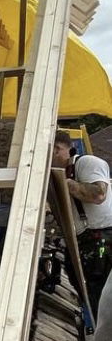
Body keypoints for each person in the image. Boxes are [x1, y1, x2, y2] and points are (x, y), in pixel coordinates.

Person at [52, 131, 112, 312]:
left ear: (56, 149)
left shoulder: (87, 163)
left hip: (102, 237)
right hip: (84, 240)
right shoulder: (62, 172)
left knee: (101, 294)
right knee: (89, 292)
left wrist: (67, 183)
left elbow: (98, 194)